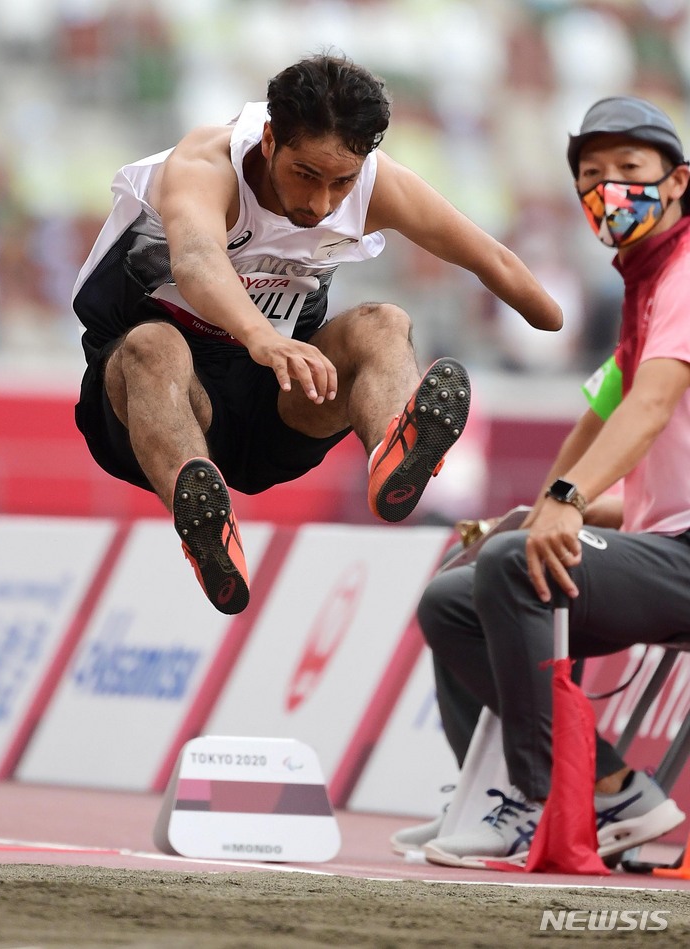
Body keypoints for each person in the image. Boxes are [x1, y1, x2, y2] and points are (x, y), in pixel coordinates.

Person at [72, 52, 562, 615]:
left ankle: (392, 449)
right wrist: (262, 335)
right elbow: (199, 260)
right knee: (154, 347)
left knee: (385, 323)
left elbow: (491, 258)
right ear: (270, 139)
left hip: (275, 406)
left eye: (341, 183)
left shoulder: (377, 185)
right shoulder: (206, 164)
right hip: (154, 408)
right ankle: (203, 515)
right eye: (305, 175)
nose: (319, 203)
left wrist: (551, 317)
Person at [396, 95, 690, 867]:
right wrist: (543, 506)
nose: (609, 187)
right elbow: (596, 426)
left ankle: (538, 799)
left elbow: (652, 405)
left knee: (510, 570)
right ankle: (603, 790)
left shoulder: (689, 269)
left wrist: (563, 503)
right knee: (455, 593)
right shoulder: (645, 285)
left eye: (631, 169)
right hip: (667, 547)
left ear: (679, 182)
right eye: (592, 174)